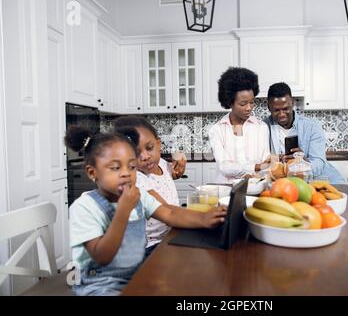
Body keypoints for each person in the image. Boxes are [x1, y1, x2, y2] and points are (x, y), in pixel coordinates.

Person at [65, 126, 227, 296]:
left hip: (135, 272)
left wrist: (205, 218)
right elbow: (102, 256)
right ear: (92, 173)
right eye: (115, 168)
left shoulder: (139, 195)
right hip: (99, 283)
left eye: (132, 167)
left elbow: (169, 213)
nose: (126, 174)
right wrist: (123, 211)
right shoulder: (84, 207)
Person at [113, 115, 184, 256]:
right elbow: (167, 211)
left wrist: (180, 161)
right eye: (136, 153)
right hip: (149, 246)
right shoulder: (137, 179)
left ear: (158, 144)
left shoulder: (162, 163)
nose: (145, 156)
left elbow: (173, 175)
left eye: (149, 147)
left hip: (169, 233)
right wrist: (203, 217)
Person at [263, 82, 345, 184]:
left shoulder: (312, 126)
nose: (281, 114)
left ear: (292, 103)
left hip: (324, 182)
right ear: (269, 107)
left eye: (285, 109)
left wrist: (303, 162)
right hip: (285, 185)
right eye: (276, 110)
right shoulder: (262, 127)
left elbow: (319, 164)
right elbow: (260, 163)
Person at [208, 67, 271, 183]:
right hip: (226, 189)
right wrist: (255, 167)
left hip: (255, 186)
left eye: (252, 102)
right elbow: (224, 167)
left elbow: (266, 163)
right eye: (243, 104)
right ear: (230, 102)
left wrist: (258, 172)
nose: (249, 108)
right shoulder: (216, 130)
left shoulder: (261, 127)